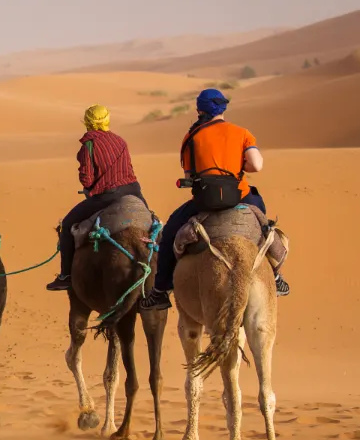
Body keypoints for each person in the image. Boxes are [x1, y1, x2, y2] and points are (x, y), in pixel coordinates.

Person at [139, 89, 290, 311]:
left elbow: (190, 177)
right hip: (241, 194)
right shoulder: (242, 133)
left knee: (171, 229)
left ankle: (160, 291)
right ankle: (276, 277)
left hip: (204, 200)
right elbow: (256, 166)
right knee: (264, 225)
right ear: (223, 109)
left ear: (200, 110)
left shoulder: (192, 137)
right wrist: (238, 167)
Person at [46, 105, 147, 291]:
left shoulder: (89, 146)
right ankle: (163, 279)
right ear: (107, 120)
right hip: (134, 191)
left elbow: (87, 178)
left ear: (88, 122)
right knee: (153, 225)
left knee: (67, 225)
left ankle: (66, 276)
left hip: (107, 196)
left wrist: (89, 188)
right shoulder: (120, 141)